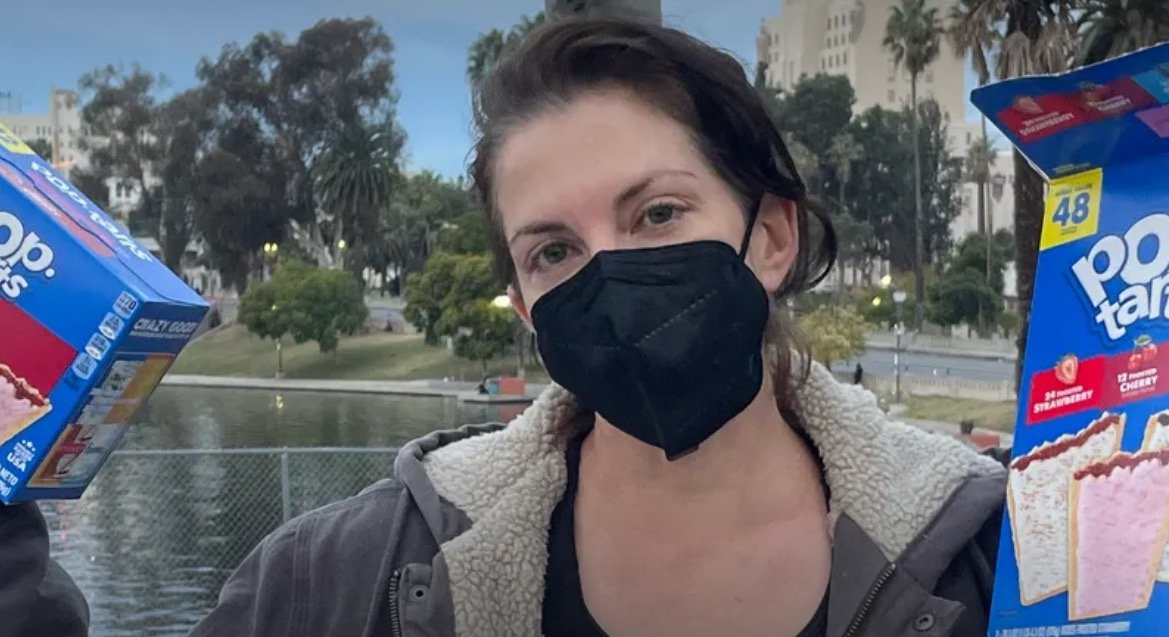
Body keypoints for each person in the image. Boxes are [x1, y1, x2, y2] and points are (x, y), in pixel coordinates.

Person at [0, 14, 1007, 637]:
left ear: (772, 234)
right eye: (553, 251)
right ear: (525, 307)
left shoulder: (994, 561)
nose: (608, 273)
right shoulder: (341, 579)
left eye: (657, 214)